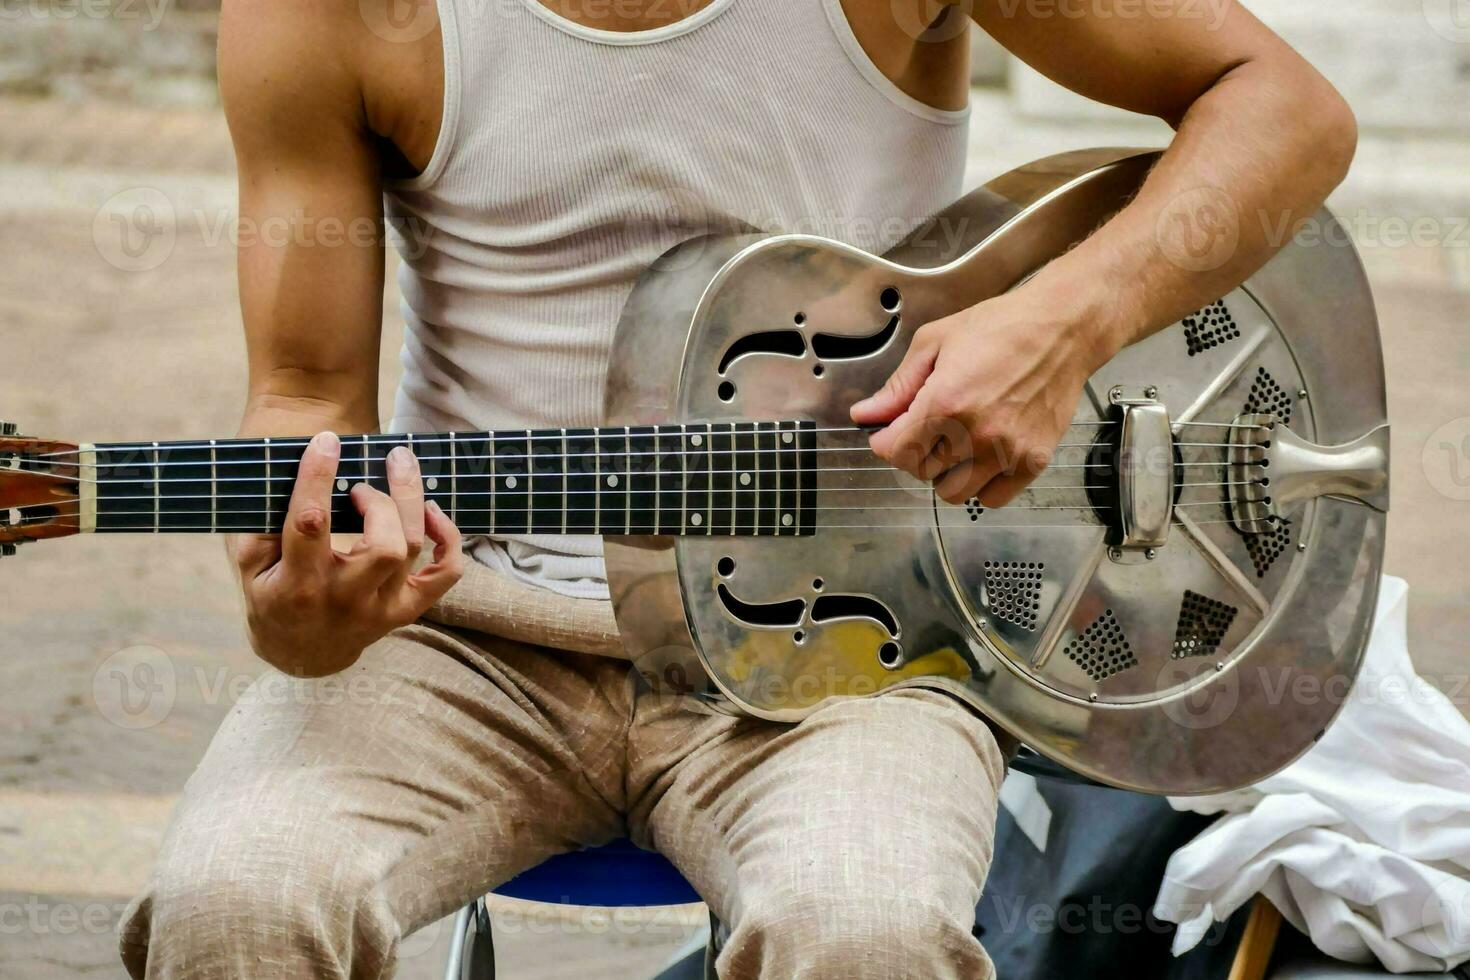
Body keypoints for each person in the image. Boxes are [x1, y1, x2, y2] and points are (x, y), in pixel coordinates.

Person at [119, 1, 1357, 976]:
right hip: (459, 641)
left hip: (858, 646)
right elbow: (300, 396)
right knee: (235, 905)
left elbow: (1286, 108)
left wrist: (1061, 328)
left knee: (866, 934)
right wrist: (298, 614)